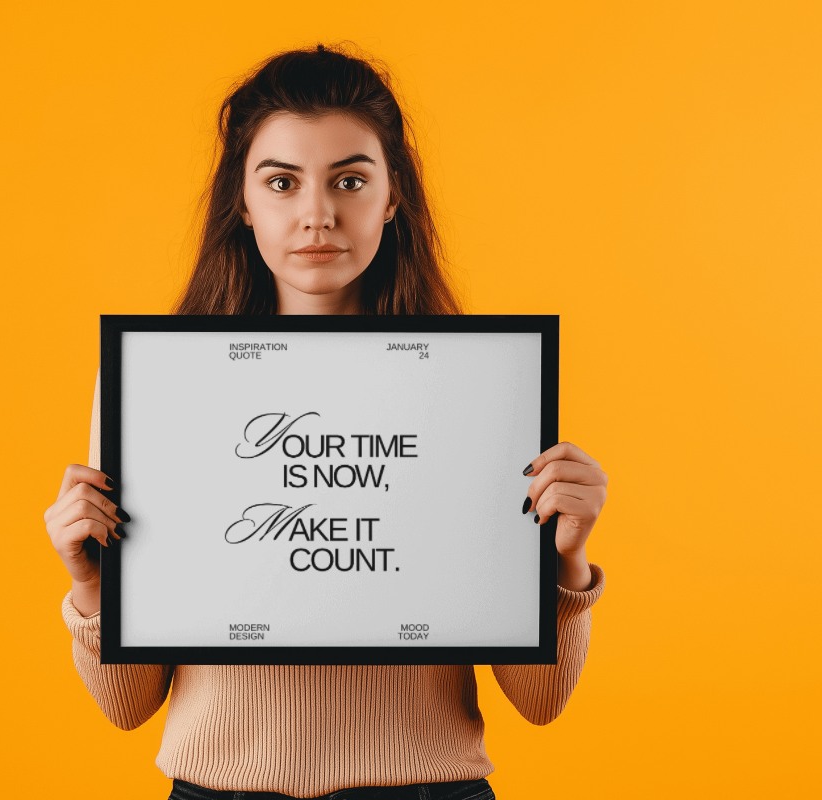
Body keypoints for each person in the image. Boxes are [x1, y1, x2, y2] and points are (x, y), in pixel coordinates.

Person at [44, 45, 607, 800]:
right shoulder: (158, 389)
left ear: (393, 197)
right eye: (282, 182)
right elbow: (127, 706)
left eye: (350, 180)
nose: (317, 214)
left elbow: (540, 702)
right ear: (243, 203)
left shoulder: (480, 388)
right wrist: (90, 580)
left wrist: (566, 562)